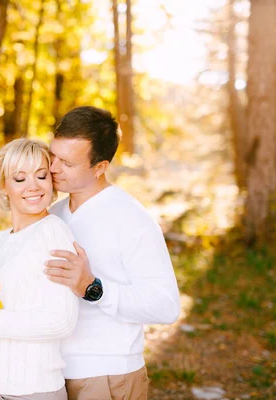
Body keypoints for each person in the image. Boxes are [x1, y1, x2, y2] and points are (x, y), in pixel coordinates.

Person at [44, 106, 181, 400]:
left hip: (107, 377)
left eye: (67, 163)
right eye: (52, 155)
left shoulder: (131, 218)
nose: (53, 168)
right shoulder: (52, 214)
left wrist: (94, 288)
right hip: (51, 375)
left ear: (100, 167)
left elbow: (166, 306)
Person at [0, 138, 79, 400]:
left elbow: (62, 320)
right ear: (3, 185)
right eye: (20, 179)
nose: (33, 186)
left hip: (32, 389)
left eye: (41, 176)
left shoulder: (53, 233)